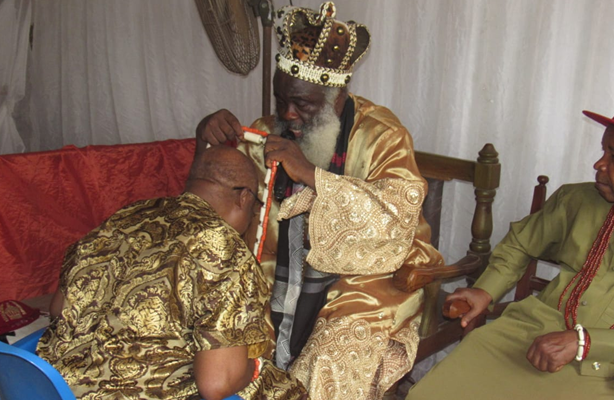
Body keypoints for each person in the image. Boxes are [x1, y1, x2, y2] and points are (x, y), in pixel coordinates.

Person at [196, 2, 443, 399]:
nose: (288, 115)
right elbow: (214, 208)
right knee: (212, 326)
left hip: (369, 282)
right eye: (281, 100)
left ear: (337, 97)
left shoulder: (382, 136)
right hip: (273, 272)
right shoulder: (265, 132)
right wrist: (206, 142)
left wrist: (312, 175)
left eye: (304, 104)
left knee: (333, 355)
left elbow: (397, 222)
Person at [37, 146, 307, 400]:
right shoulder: (224, 247)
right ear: (244, 198)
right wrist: (255, 365)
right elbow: (217, 384)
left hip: (52, 387)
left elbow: (59, 308)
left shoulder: (126, 216)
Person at [407, 109, 614, 400]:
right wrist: (485, 290)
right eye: (604, 150)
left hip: (604, 364)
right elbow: (521, 243)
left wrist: (585, 342)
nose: (599, 163)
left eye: (613, 155)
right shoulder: (576, 200)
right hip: (534, 330)